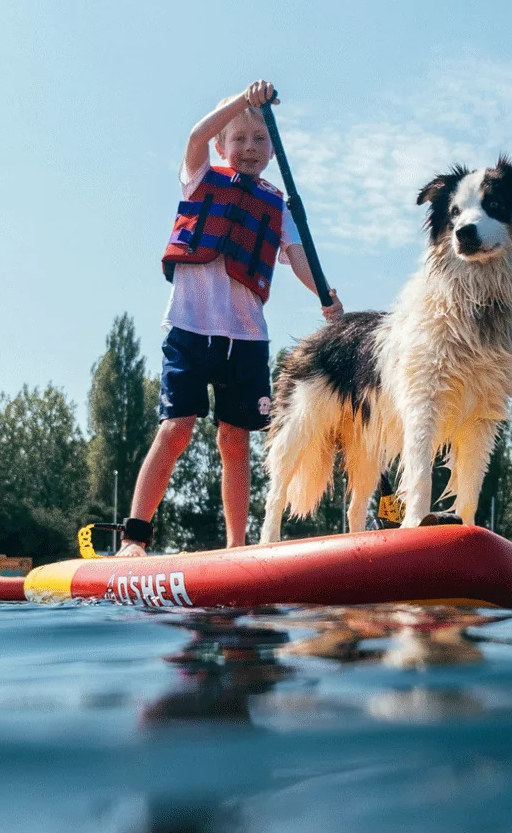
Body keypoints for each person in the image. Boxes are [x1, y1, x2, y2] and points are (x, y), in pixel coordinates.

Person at [117, 79, 343, 556]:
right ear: (222, 145)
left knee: (235, 441)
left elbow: (296, 253)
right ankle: (134, 539)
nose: (249, 148)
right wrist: (244, 101)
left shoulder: (275, 202)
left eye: (260, 140)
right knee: (176, 429)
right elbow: (196, 138)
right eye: (239, 138)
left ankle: (237, 546)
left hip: (245, 338)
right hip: (191, 328)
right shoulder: (200, 173)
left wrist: (323, 294)